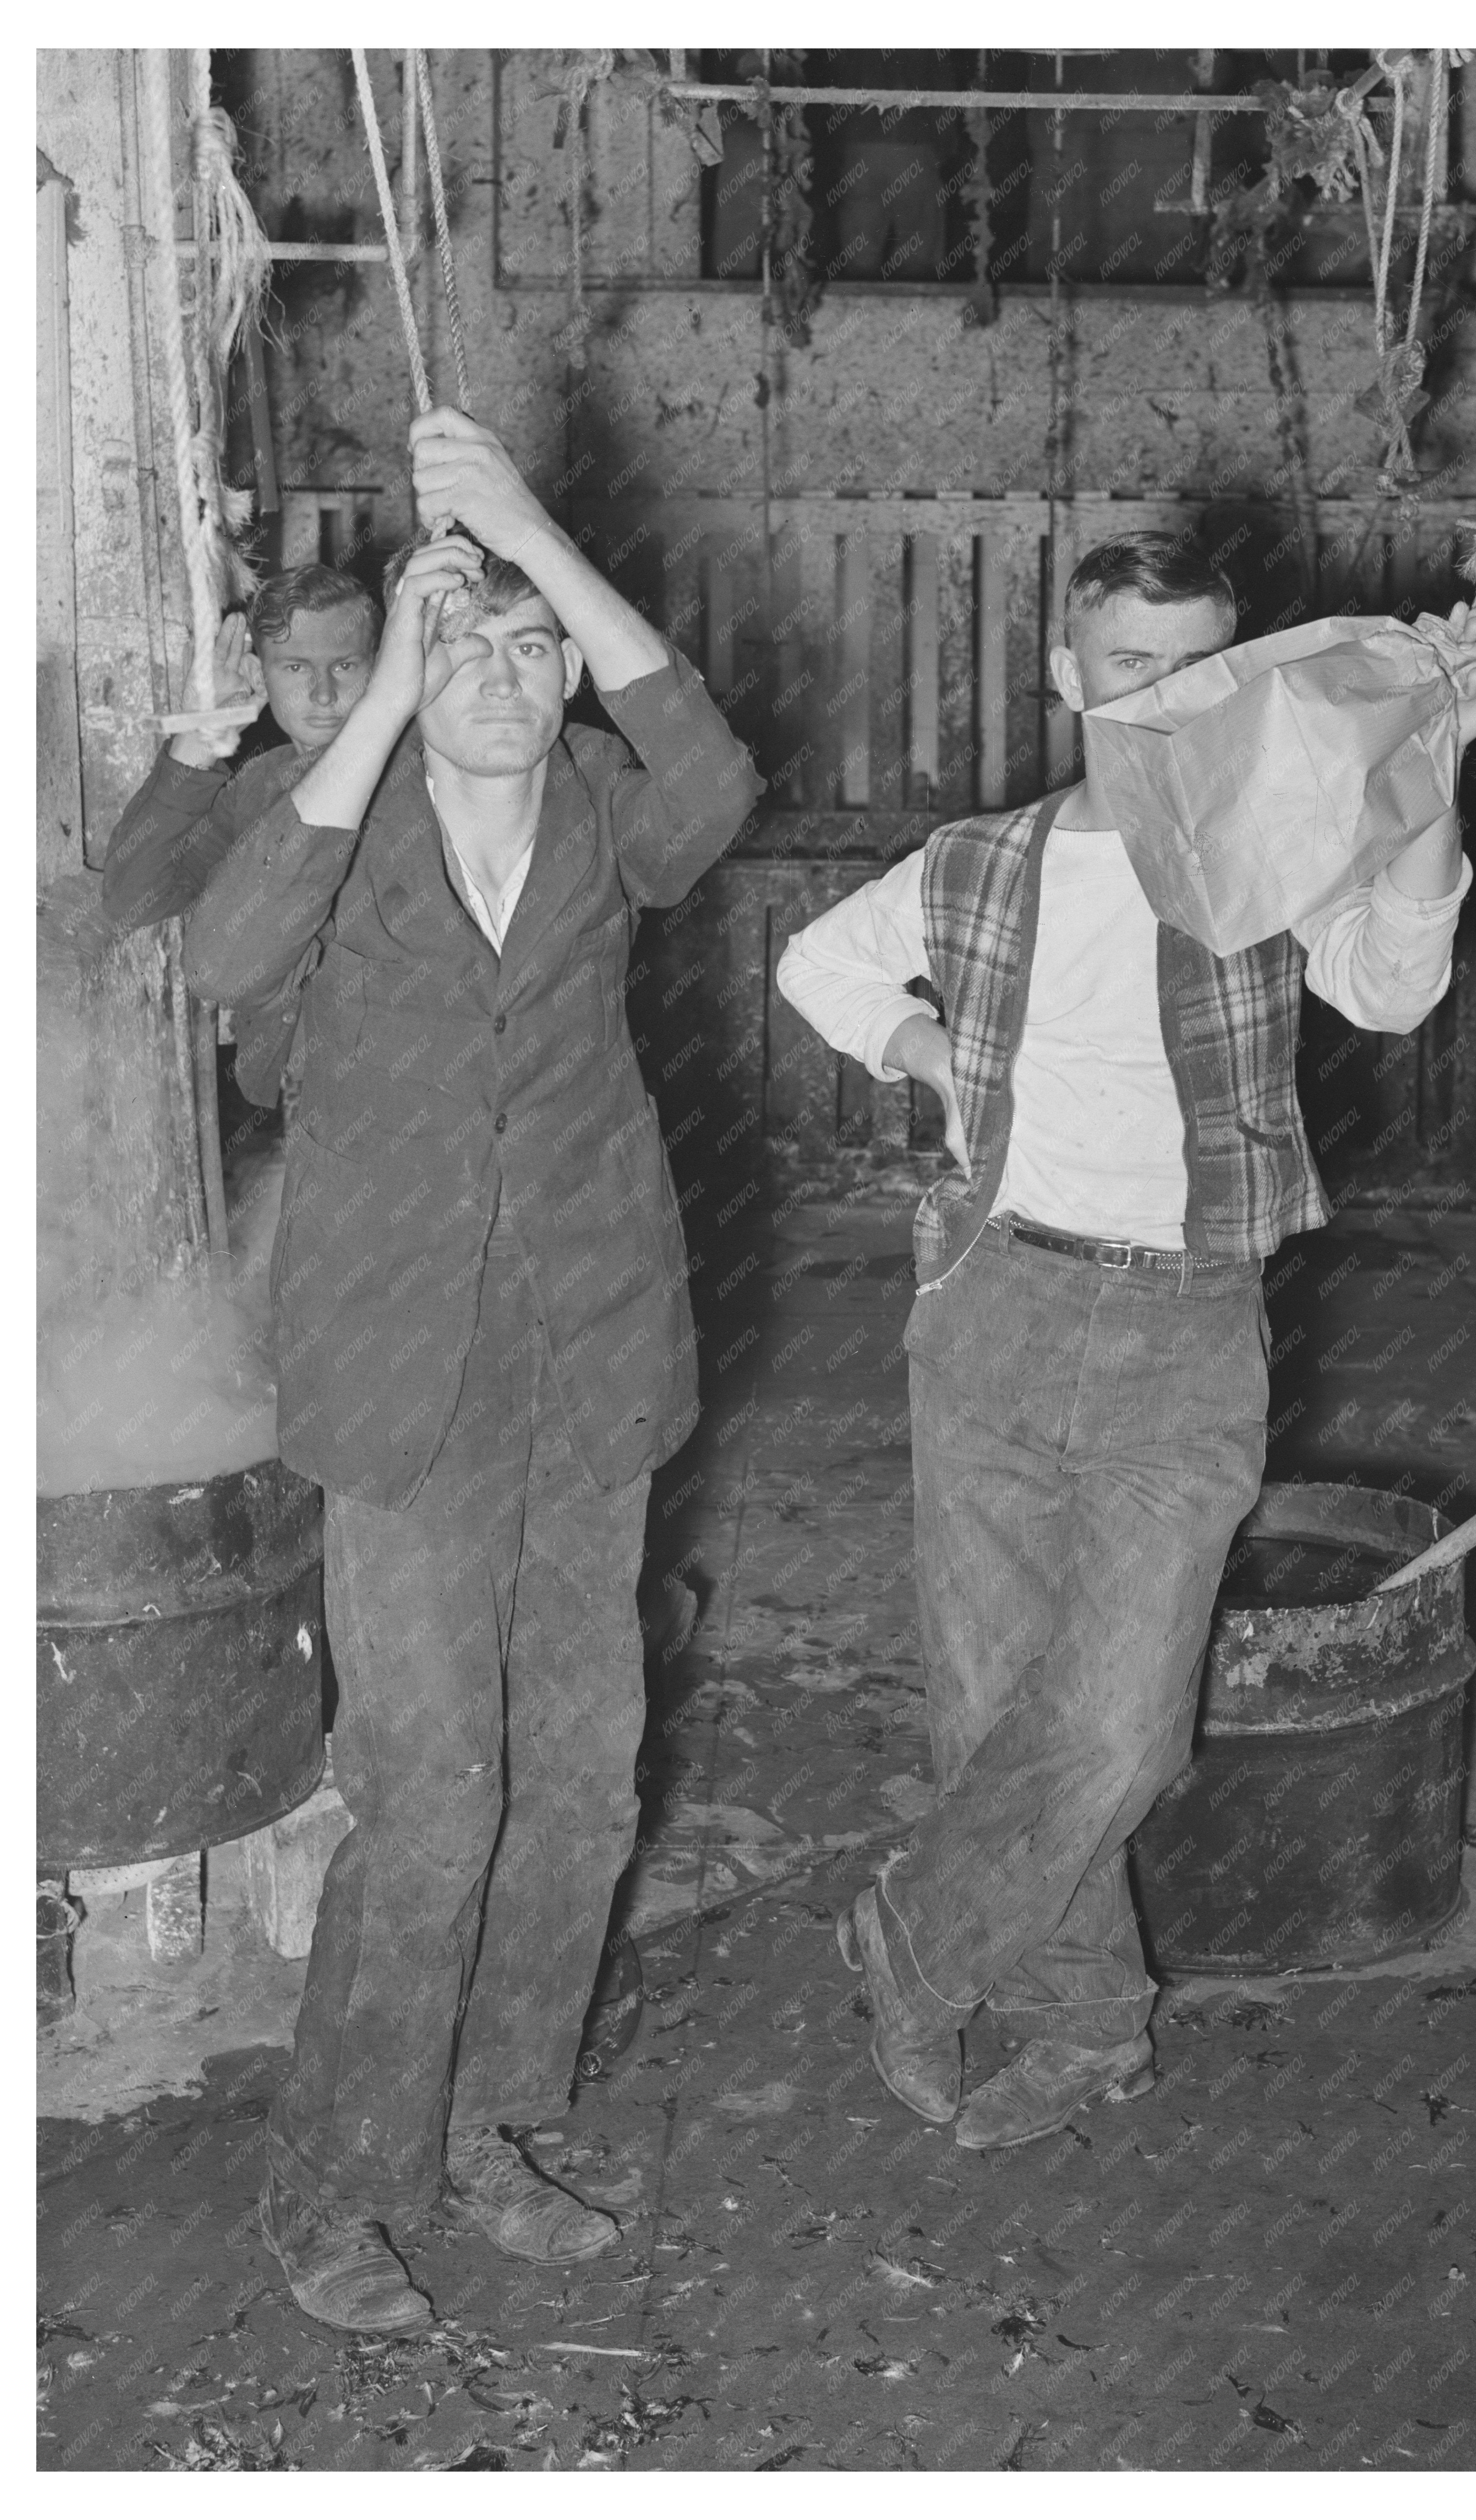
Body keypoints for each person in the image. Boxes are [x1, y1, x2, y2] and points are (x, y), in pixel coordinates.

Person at [777, 533, 1476, 2150]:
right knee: (991, 1704)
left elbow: (1395, 988)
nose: (1162, 695)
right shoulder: (981, 858)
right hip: (989, 1306)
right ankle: (1088, 2025)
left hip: (1186, 1324)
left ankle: (913, 1936)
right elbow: (814, 964)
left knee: (1120, 1721)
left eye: (1194, 667)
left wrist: (1431, 766)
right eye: (1129, 664)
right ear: (1069, 675)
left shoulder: (1267, 855)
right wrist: (936, 1054)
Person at [184, 406, 763, 2332]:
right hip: (400, 1384)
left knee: (585, 1784)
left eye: (534, 648)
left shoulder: (608, 801)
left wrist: (526, 536)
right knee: (433, 1799)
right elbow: (225, 946)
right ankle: (336, 2181)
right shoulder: (338, 842)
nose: (509, 680)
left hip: (589, 1365)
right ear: (412, 676)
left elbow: (715, 771)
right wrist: (381, 697)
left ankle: (505, 2121)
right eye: (471, 647)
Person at [104, 565, 383, 1110]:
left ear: (380, 668)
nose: (324, 693)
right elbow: (134, 896)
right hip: (307, 1099)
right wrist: (199, 735)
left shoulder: (427, 767)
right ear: (260, 673)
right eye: (297, 667)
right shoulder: (260, 785)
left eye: (346, 665)